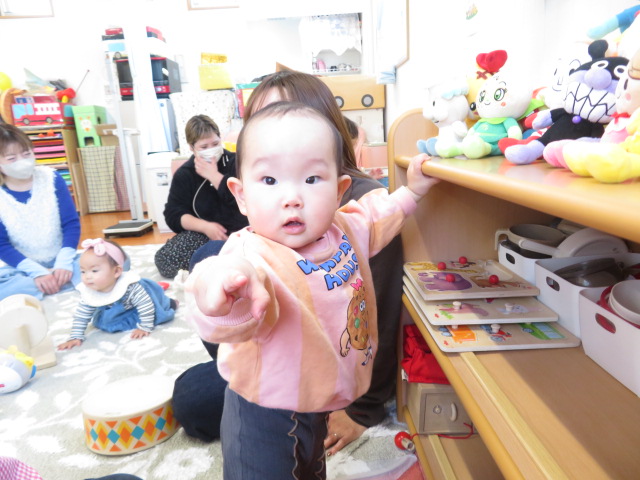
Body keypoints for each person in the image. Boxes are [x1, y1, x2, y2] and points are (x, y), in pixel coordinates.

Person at [186, 101, 437, 479]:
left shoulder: (343, 229)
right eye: (270, 181)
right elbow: (220, 288)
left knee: (310, 466)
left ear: (339, 191)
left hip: (318, 397)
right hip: (265, 410)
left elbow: (376, 215)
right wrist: (218, 290)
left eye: (312, 179)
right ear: (241, 195)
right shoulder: (252, 254)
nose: (292, 197)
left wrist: (413, 192)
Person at [154, 114, 248, 278]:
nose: (211, 149)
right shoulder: (185, 173)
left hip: (244, 232)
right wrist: (205, 227)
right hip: (207, 238)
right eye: (204, 147)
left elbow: (247, 201)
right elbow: (173, 214)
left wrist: (214, 176)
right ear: (192, 147)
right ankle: (223, 265)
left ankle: (225, 265)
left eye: (215, 144)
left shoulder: (237, 162)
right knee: (166, 259)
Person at [0, 124, 81, 301]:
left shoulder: (51, 178)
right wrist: (37, 272)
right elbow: (2, 245)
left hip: (62, 259)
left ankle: (51, 283)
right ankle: (58, 283)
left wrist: (64, 262)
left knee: (111, 261)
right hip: (22, 268)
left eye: (26, 154)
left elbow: (71, 224)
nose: (22, 161)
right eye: (12, 158)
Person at [58, 238, 176, 350]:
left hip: (140, 304)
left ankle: (170, 301)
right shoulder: (90, 290)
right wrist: (75, 336)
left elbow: (146, 305)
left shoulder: (130, 287)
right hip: (115, 310)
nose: (87, 276)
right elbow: (82, 315)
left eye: (94, 271)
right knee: (105, 321)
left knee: (160, 304)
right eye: (83, 271)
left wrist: (145, 327)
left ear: (116, 271)